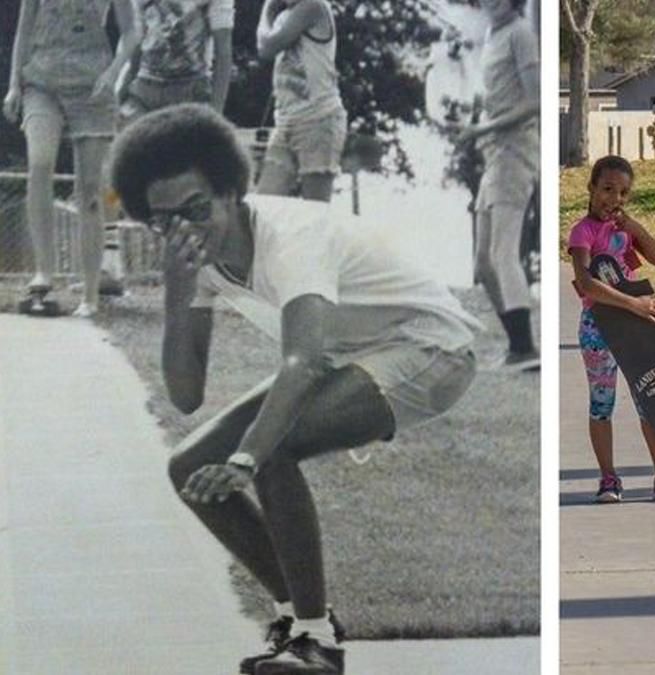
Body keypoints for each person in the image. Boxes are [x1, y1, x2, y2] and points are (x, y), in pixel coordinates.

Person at [109, 104, 482, 675]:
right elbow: (185, 394)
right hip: (356, 353)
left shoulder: (292, 238)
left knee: (272, 446)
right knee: (188, 468)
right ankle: (300, 619)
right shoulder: (196, 260)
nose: (183, 230)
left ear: (234, 191)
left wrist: (245, 457)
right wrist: (175, 286)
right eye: (164, 221)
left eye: (195, 209)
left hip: (432, 349)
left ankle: (317, 643)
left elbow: (303, 362)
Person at [567, 155, 655, 504]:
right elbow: (587, 283)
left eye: (624, 193)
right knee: (601, 404)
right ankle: (609, 479)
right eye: (608, 189)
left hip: (637, 327)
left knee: (650, 400)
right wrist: (632, 304)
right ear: (592, 188)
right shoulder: (582, 232)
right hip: (600, 327)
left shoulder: (623, 231)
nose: (615, 198)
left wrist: (634, 227)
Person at [4, 0, 138, 317]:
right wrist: (13, 86)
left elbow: (132, 31)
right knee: (39, 163)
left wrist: (114, 71)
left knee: (91, 189)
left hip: (92, 84)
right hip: (41, 80)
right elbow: (23, 32)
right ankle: (43, 271)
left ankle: (90, 293)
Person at [456, 0, 539, 371]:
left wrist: (484, 128)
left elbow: (536, 101)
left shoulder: (520, 33)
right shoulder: (493, 32)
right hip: (494, 154)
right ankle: (517, 346)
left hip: (515, 152)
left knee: (503, 253)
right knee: (483, 262)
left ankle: (525, 349)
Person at [255, 0, 346, 202]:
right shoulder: (284, 16)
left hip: (318, 119)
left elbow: (266, 48)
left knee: (316, 208)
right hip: (286, 121)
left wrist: (267, 8)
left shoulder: (312, 7)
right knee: (267, 203)